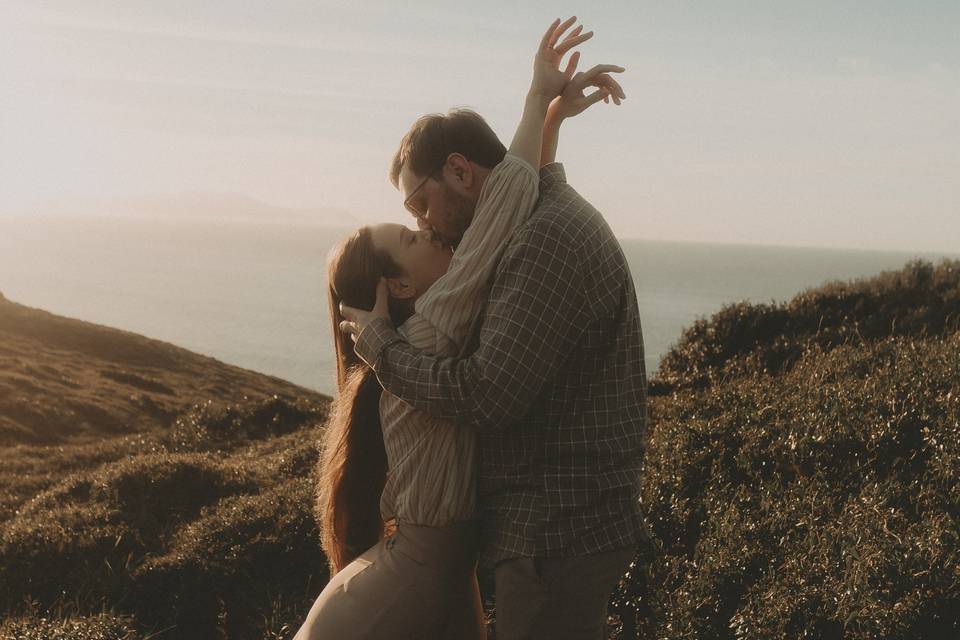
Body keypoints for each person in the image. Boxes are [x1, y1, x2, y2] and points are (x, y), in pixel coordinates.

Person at [295, 17, 625, 640]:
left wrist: (543, 112)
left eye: (417, 210)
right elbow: (503, 206)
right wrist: (539, 108)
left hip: (517, 544)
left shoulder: (424, 326)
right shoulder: (431, 325)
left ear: (458, 171)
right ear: (397, 286)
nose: (428, 227)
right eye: (411, 229)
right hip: (429, 570)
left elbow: (504, 205)